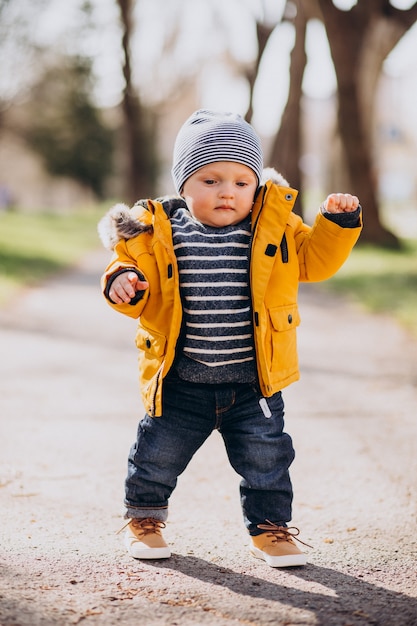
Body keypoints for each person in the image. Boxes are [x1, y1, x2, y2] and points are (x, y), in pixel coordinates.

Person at [99, 109, 362, 568]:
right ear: (184, 184)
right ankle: (144, 519)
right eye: (211, 180)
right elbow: (129, 276)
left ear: (256, 186)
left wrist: (336, 226)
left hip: (252, 382)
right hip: (181, 382)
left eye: (242, 182)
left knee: (267, 459)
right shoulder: (157, 231)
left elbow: (313, 262)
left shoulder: (274, 226)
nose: (228, 192)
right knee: (156, 454)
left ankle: (271, 530)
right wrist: (122, 281)